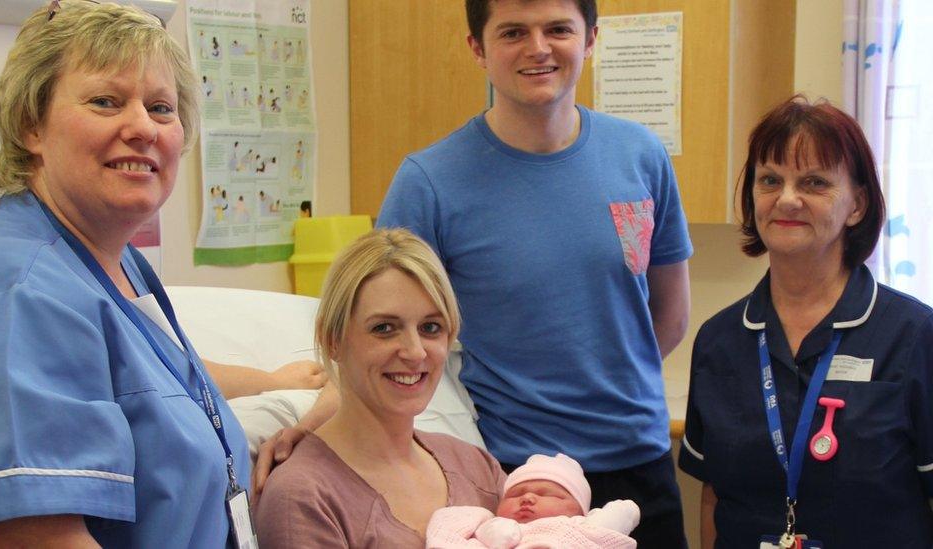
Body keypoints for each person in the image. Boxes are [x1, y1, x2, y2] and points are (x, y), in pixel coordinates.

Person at [0, 2, 320, 546]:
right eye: (105, 102)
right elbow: (37, 537)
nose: (142, 128)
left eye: (161, 108)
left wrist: (273, 382)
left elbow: (146, 382)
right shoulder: (22, 292)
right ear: (31, 124)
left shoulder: (110, 258)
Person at [368, 1, 694, 546]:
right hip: (512, 482)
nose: (538, 48)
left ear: (590, 38)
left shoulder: (641, 155)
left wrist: (605, 379)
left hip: (640, 467)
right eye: (513, 32)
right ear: (479, 48)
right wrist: (315, 421)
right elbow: (375, 334)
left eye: (558, 29)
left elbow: (670, 314)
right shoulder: (429, 182)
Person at [678, 96, 933, 548]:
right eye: (770, 180)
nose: (788, 199)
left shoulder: (913, 336)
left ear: (856, 205)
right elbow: (714, 495)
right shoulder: (720, 340)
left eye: (814, 182)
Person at [253, 229, 507, 548]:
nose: (415, 352)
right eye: (384, 329)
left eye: (431, 328)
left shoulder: (476, 467)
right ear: (332, 339)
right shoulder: (304, 496)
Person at [426, 453, 640, 548]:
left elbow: (607, 529)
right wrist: (494, 532)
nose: (527, 498)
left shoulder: (581, 527)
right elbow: (452, 527)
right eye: (515, 494)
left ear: (580, 510)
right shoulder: (485, 523)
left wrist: (621, 514)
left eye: (547, 494)